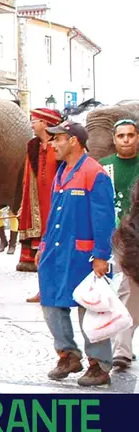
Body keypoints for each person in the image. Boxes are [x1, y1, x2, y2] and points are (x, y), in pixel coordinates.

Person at [39, 121, 115, 386]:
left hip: (83, 254)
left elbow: (105, 218)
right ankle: (68, 354)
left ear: (73, 141)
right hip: (56, 251)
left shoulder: (95, 173)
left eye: (57, 139)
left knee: (90, 307)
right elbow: (54, 214)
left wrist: (101, 255)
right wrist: (43, 246)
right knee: (50, 301)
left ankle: (99, 365)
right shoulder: (62, 172)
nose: (52, 144)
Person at [99, 119, 139, 370]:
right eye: (121, 135)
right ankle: (122, 350)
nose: (126, 139)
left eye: (131, 135)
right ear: (114, 140)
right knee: (128, 288)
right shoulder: (105, 168)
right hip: (122, 237)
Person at [17, 108, 63, 302]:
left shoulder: (60, 145)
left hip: (55, 205)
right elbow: (27, 179)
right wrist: (23, 204)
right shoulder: (32, 147)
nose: (32, 124)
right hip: (37, 206)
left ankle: (58, 289)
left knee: (57, 249)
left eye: (34, 120)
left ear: (45, 123)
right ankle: (43, 289)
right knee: (41, 249)